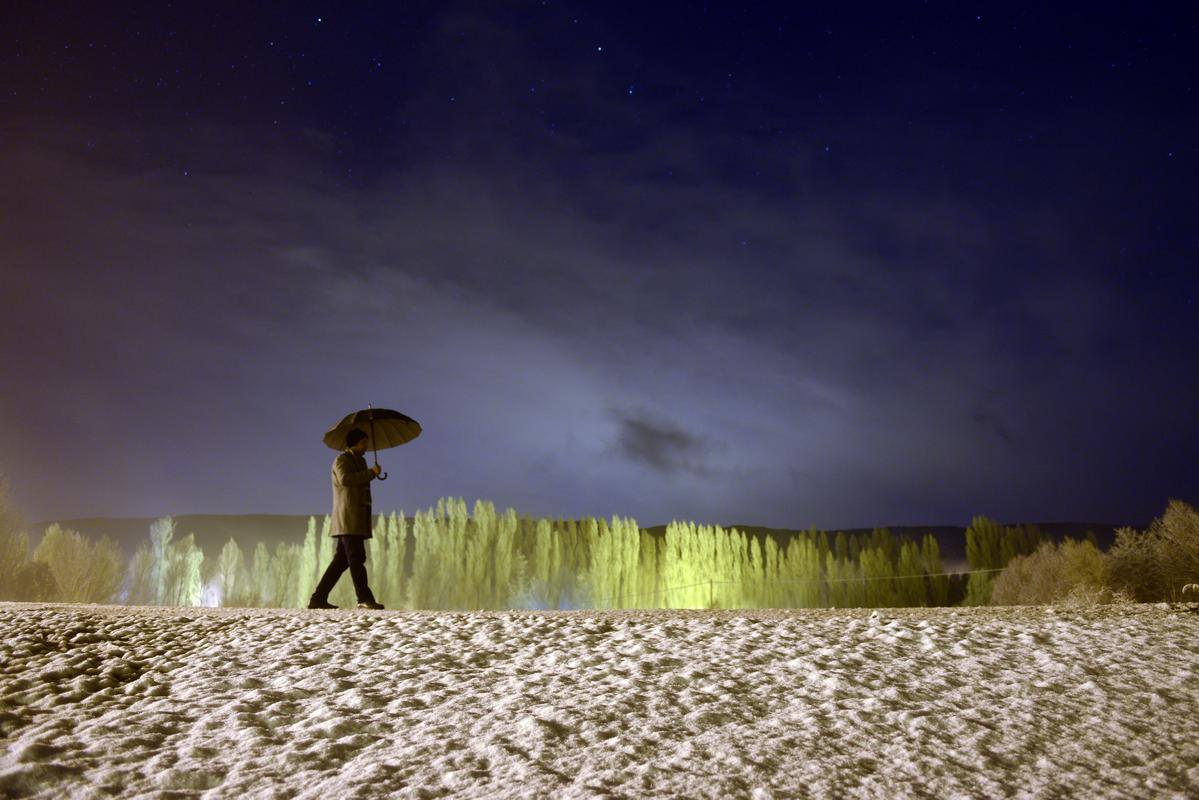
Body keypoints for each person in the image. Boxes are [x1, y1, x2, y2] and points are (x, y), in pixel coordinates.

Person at [307, 428, 385, 610]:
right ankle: (364, 598)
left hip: (356, 519)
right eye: (363, 442)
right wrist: (371, 473)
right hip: (347, 519)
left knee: (341, 561)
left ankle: (317, 599)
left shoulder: (361, 461)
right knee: (357, 558)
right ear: (354, 443)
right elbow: (345, 479)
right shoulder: (341, 460)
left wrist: (371, 472)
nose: (366, 445)